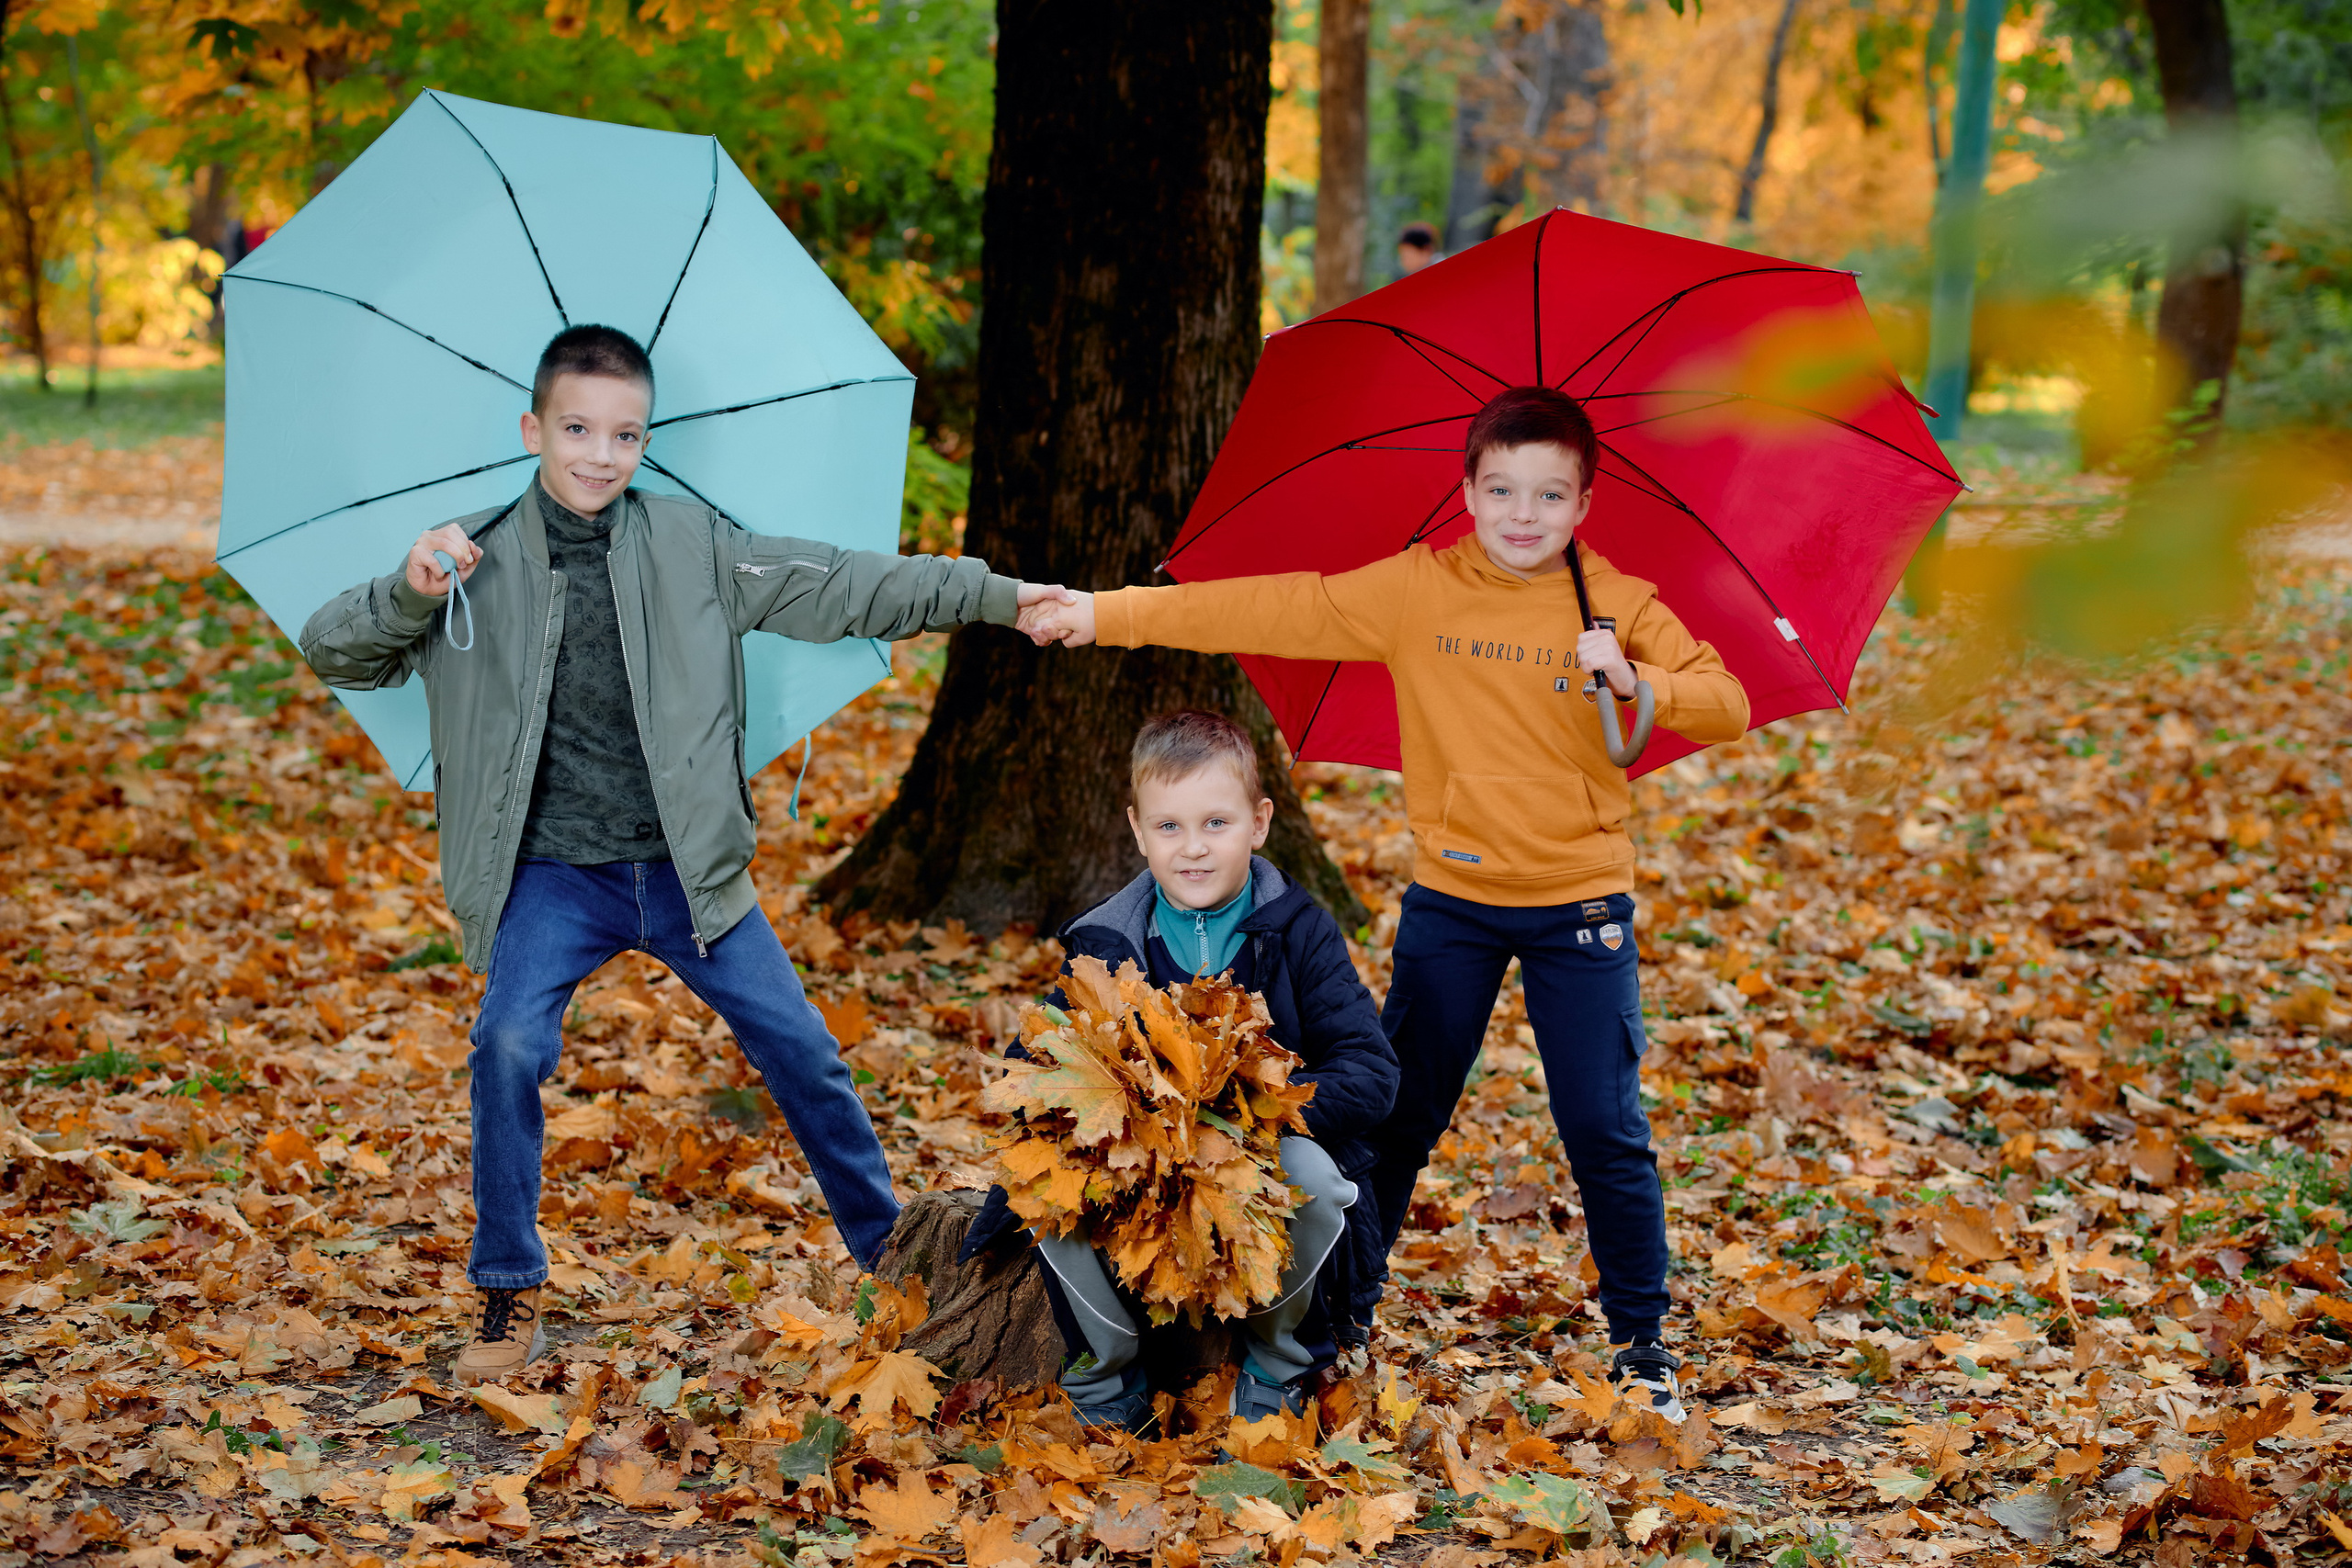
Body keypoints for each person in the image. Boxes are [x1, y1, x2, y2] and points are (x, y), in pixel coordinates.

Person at [299, 324, 1073, 1387]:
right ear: (533, 430)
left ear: (646, 441)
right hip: (551, 879)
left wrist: (999, 597)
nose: (600, 454)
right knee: (506, 1045)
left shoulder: (693, 544)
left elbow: (844, 584)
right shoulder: (468, 562)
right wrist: (413, 588)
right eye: (577, 429)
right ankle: (507, 1287)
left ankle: (890, 1260)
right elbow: (333, 648)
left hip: (685, 876)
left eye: (624, 435)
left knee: (804, 1050)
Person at [1018, 386, 1747, 1420]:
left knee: (1603, 1128)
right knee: (1399, 1117)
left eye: (1550, 494)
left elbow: (1728, 702)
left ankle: (1642, 1346)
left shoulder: (1616, 605)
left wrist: (1636, 678)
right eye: (1502, 490)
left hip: (1580, 905)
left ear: (1584, 503)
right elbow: (1273, 606)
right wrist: (1104, 615)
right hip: (1453, 901)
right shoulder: (1417, 590)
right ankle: (1346, 1314)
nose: (1525, 514)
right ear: (1468, 492)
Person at [967, 711, 1397, 1433]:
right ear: (1138, 831)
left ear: (1259, 823)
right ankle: (1108, 1377)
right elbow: (1034, 1067)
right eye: (1169, 826)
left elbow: (1371, 1070)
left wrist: (1254, 1113)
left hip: (1259, 1153)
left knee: (1320, 1183)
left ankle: (1277, 1366)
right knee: (1043, 1183)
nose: (1193, 847)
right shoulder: (1109, 939)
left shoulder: (1298, 930)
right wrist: (1112, 1111)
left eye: (1216, 823)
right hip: (1141, 1162)